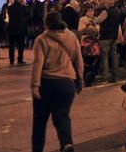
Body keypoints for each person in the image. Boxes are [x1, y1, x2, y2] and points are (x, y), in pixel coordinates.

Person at [30, 11, 83, 152]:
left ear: (46, 23)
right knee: (62, 116)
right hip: (66, 83)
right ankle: (66, 144)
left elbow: (37, 63)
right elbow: (79, 60)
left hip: (46, 83)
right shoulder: (72, 37)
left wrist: (35, 85)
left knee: (40, 120)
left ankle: (37, 149)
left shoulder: (41, 39)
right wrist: (80, 81)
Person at [95, 0, 121, 83]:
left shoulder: (105, 12)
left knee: (105, 57)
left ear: (107, 3)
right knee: (114, 57)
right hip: (114, 36)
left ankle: (105, 77)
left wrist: (92, 21)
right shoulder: (117, 11)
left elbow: (97, 21)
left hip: (105, 37)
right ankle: (115, 76)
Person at [7, 0, 30, 65]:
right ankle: (20, 59)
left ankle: (11, 60)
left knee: (11, 45)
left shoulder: (10, 8)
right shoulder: (23, 7)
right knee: (21, 45)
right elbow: (28, 15)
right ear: (20, 0)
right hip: (21, 29)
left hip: (11, 28)